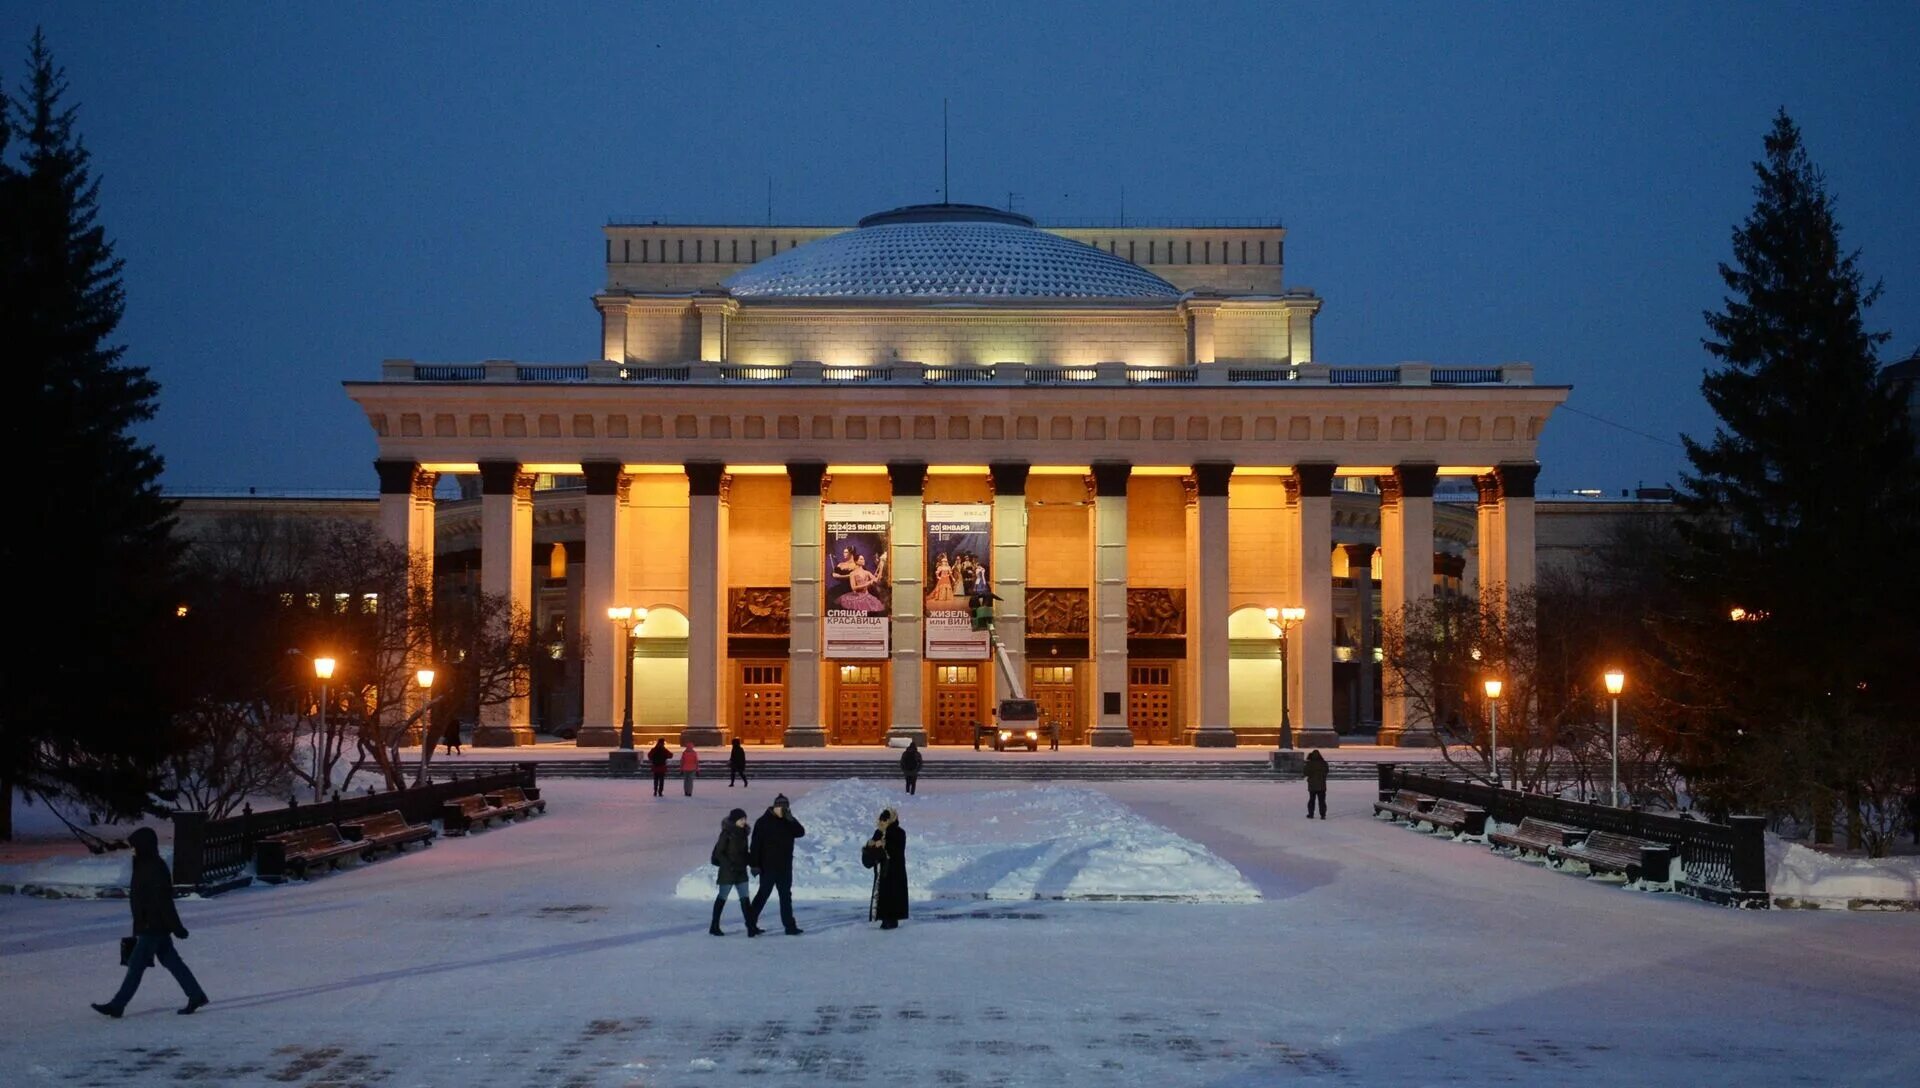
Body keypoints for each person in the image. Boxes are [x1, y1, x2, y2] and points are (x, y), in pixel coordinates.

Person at [92, 828, 209, 1018]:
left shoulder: (153, 867)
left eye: (135, 846)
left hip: (152, 926)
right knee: (172, 963)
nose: (132, 850)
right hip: (150, 925)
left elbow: (163, 901)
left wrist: (176, 927)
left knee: (136, 966)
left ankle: (117, 1005)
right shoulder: (144, 865)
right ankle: (196, 995)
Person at [749, 793, 806, 936]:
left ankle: (790, 926)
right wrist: (754, 864)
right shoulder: (763, 822)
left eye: (786, 807)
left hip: (785, 866)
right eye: (781, 807)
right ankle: (750, 923)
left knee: (785, 896)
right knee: (763, 895)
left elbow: (800, 833)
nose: (784, 809)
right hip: (767, 866)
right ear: (775, 807)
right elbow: (755, 845)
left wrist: (791, 820)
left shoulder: (788, 821)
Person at [710, 809, 758, 937]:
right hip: (728, 872)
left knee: (745, 899)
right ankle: (714, 926)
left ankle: (751, 927)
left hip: (741, 871)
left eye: (745, 819)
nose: (744, 821)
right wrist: (729, 865)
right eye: (741, 819)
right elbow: (719, 853)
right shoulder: (726, 834)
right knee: (722, 897)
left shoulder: (743, 833)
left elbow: (744, 853)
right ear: (734, 820)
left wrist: (753, 862)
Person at [861, 809, 909, 930]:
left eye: (884, 820)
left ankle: (892, 920)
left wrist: (882, 845)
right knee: (882, 896)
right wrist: (871, 846)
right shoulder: (879, 832)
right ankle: (884, 918)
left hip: (895, 871)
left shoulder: (898, 833)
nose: (881, 822)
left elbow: (895, 850)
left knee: (893, 895)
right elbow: (873, 851)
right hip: (882, 871)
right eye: (881, 819)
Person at [1304, 749, 1329, 819]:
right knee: (1322, 801)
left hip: (1312, 785)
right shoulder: (1323, 763)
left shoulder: (1310, 763)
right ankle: (1323, 814)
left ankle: (1311, 814)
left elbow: (1305, 772)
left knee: (1312, 800)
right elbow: (1326, 771)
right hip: (1322, 785)